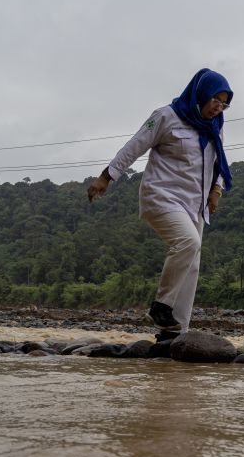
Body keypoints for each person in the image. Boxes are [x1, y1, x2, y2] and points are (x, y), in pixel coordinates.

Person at [88, 68, 234, 341]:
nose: (218, 107)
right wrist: (106, 176)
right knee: (188, 242)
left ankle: (174, 334)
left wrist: (217, 190)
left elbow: (220, 160)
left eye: (224, 104)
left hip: (195, 202)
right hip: (162, 195)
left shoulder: (216, 125)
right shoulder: (167, 116)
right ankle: (161, 306)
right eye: (215, 100)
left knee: (191, 264)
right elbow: (135, 145)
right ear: (201, 93)